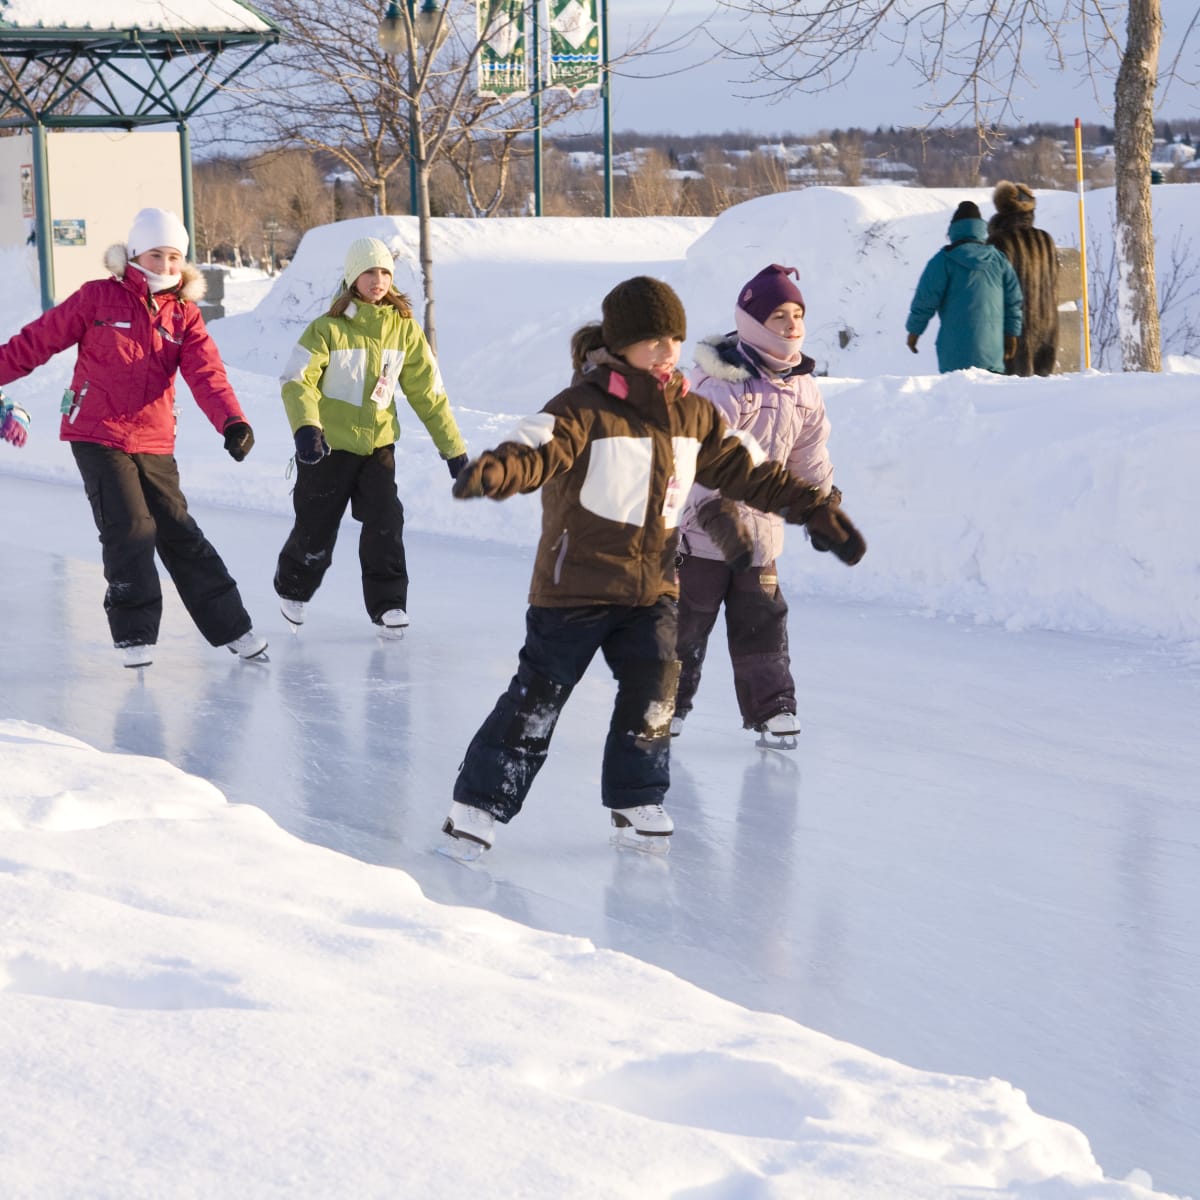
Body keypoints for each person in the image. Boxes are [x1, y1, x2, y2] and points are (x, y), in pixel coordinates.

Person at [443, 276, 866, 856]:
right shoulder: (583, 408)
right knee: (538, 698)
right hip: (574, 588)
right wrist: (499, 470)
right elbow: (537, 445)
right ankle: (477, 806)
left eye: (674, 337)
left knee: (655, 693)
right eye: (652, 340)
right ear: (620, 345)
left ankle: (635, 795)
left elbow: (752, 470)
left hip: (651, 588)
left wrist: (815, 508)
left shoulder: (693, 414)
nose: (667, 351)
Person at [0, 207, 267, 669]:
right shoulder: (97, 298)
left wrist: (232, 422)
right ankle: (135, 634)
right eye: (157, 254)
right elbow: (37, 341)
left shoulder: (184, 314)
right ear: (134, 252)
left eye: (174, 257)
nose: (166, 265)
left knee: (180, 532)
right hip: (96, 431)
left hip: (154, 437)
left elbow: (207, 373)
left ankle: (234, 628)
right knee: (130, 528)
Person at [673, 264, 842, 744]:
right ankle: (665, 706)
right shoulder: (719, 384)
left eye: (797, 315)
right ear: (751, 324)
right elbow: (694, 455)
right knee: (687, 626)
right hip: (702, 535)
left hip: (762, 536)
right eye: (779, 317)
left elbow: (809, 455)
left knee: (763, 624)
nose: (792, 326)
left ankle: (773, 710)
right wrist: (710, 510)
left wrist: (822, 503)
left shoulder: (802, 388)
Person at [274, 237, 468, 637]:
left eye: (384, 272)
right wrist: (307, 428)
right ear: (352, 277)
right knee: (316, 526)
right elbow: (297, 380)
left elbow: (428, 393)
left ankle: (389, 605)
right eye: (369, 271)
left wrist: (454, 449)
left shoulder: (405, 331)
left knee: (386, 519)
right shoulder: (327, 329)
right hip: (326, 448)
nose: (378, 280)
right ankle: (293, 588)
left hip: (378, 446)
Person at [905, 200, 1024, 374]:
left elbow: (926, 299)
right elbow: (1014, 301)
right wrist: (1011, 334)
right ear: (981, 229)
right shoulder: (999, 260)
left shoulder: (943, 260)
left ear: (953, 230)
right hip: (992, 352)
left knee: (958, 400)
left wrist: (914, 331)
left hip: (954, 354)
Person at [988, 180, 1059, 377]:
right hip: (1048, 327)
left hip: (1014, 332)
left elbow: (992, 292)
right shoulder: (1046, 239)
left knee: (1013, 398)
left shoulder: (998, 241)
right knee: (1040, 399)